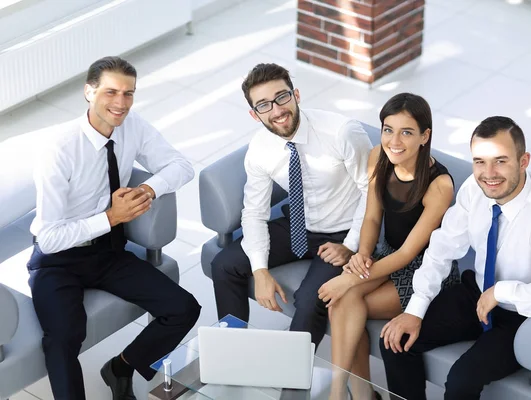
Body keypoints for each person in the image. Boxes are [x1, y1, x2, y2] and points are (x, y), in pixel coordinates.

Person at [27, 56, 201, 400]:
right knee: (63, 338)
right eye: (111, 92)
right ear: (89, 92)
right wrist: (110, 217)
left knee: (184, 308)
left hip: (108, 251)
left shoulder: (131, 125)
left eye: (129, 93)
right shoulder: (59, 151)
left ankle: (121, 366)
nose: (120, 103)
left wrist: (148, 189)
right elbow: (49, 238)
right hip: (58, 260)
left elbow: (181, 165)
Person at [379, 116, 531, 400]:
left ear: (524, 161)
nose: (488, 173)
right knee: (395, 340)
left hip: (519, 316)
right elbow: (442, 247)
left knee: (461, 381)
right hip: (475, 293)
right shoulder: (474, 190)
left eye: (500, 161)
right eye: (480, 161)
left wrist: (502, 292)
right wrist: (415, 310)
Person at [211, 63, 372, 346]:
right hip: (298, 225)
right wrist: (259, 270)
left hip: (341, 232)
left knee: (311, 299)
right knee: (224, 264)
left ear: (296, 94)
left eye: (282, 97)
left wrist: (351, 244)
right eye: (264, 105)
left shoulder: (342, 132)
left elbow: (372, 193)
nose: (276, 110)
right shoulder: (260, 148)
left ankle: (292, 383)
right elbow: (254, 213)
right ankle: (230, 352)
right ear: (254, 114)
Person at [317, 93, 460, 400]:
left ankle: (344, 393)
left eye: (406, 132)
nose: (394, 141)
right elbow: (371, 217)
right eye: (387, 129)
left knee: (346, 304)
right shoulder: (377, 157)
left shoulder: (439, 185)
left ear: (425, 136)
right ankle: (353, 391)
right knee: (345, 302)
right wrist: (363, 255)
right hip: (385, 254)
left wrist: (351, 278)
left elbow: (410, 253)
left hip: (424, 268)